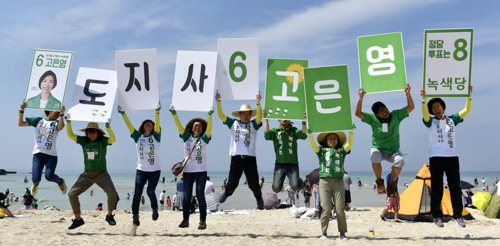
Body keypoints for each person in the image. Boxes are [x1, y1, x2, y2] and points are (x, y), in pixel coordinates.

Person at [420, 86, 472, 228]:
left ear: (443, 107)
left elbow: (466, 110)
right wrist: (423, 99)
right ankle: (437, 216)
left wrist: (469, 95)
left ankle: (457, 215)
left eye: (439, 106)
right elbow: (424, 113)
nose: (436, 109)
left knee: (455, 186)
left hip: (452, 157)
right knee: (437, 187)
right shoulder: (430, 121)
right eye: (434, 107)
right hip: (436, 157)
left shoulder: (452, 119)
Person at [355, 84, 414, 196]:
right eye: (380, 111)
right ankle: (379, 182)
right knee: (374, 155)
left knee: (400, 160)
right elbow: (358, 113)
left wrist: (408, 94)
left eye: (384, 108)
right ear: (376, 115)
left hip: (393, 150)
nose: (384, 111)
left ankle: (391, 184)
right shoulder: (372, 119)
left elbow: (410, 108)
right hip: (379, 149)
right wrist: (361, 98)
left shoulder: (396, 115)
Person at [65, 117, 118, 230]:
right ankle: (78, 219)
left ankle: (109, 216)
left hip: (102, 174)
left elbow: (113, 140)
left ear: (98, 133)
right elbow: (70, 135)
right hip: (87, 175)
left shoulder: (103, 141)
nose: (91, 135)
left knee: (112, 192)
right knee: (71, 194)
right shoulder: (84, 141)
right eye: (89, 132)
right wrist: (68, 122)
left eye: (93, 133)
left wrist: (108, 127)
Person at [215, 91, 264, 209]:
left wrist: (258, 103)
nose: (246, 116)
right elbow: (221, 116)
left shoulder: (254, 124)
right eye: (243, 114)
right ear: (240, 115)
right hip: (236, 157)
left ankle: (259, 199)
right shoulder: (233, 123)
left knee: (254, 183)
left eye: (248, 114)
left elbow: (260, 117)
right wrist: (219, 102)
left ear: (250, 115)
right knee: (232, 182)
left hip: (250, 158)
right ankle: (226, 194)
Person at [307, 125, 355, 240]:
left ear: (338, 140)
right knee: (326, 209)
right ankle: (324, 233)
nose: (332, 140)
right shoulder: (322, 151)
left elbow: (348, 145)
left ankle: (342, 233)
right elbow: (314, 147)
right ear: (326, 140)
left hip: (339, 181)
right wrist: (310, 136)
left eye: (335, 138)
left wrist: (352, 133)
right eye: (330, 138)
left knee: (340, 209)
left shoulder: (341, 151)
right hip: (324, 182)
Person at [170, 104, 213, 230]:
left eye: (199, 126)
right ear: (192, 128)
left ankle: (202, 221)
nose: (197, 127)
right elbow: (178, 126)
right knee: (186, 196)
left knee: (200, 195)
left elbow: (209, 128)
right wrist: (174, 113)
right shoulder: (186, 138)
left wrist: (210, 114)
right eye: (195, 125)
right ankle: (185, 220)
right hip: (188, 171)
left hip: (201, 171)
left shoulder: (205, 138)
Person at [118, 103, 162, 227]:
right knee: (137, 193)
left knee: (150, 191)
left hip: (155, 171)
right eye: (145, 123)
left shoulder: (156, 136)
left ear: (153, 127)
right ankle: (135, 216)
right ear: (142, 127)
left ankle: (154, 208)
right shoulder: (138, 137)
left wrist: (157, 110)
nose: (148, 124)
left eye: (150, 123)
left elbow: (157, 123)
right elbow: (129, 126)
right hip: (141, 170)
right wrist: (123, 113)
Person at [18, 101, 67, 196]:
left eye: (58, 112)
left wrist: (62, 115)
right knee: (36, 178)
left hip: (51, 155)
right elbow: (20, 123)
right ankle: (35, 184)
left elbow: (60, 128)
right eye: (56, 111)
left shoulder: (57, 123)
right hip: (38, 154)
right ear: (49, 110)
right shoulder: (38, 120)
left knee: (49, 176)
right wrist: (21, 109)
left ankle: (60, 181)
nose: (57, 113)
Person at [264, 113, 307, 194]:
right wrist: (266, 120)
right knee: (276, 189)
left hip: (292, 164)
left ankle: (300, 182)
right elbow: (267, 136)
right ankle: (282, 184)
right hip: (279, 164)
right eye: (282, 117)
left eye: (287, 117)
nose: (284, 119)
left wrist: (304, 122)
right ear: (278, 120)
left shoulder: (294, 131)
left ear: (290, 120)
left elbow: (303, 135)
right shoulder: (275, 131)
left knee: (295, 186)